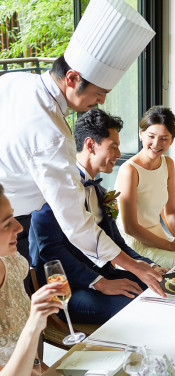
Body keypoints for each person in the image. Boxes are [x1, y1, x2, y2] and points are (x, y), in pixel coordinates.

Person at [0, 0, 164, 296]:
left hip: (9, 218)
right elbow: (74, 221)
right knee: (19, 317)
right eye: (100, 92)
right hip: (11, 227)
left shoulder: (15, 81)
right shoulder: (51, 135)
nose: (101, 101)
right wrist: (132, 265)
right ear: (73, 78)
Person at [29, 110, 167, 324]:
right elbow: (51, 252)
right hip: (67, 289)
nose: (119, 153)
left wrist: (148, 265)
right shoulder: (55, 188)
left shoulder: (99, 191)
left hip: (103, 274)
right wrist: (100, 282)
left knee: (160, 286)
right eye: (113, 146)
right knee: (137, 308)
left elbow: (116, 243)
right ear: (90, 145)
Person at [0, 183, 65, 376]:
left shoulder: (9, 258)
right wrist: (34, 324)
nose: (19, 227)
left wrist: (45, 370)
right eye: (6, 223)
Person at [115, 106, 175, 268]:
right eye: (151, 136)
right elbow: (130, 228)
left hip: (158, 233)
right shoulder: (129, 170)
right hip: (135, 242)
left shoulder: (168, 164)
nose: (156, 144)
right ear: (141, 134)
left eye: (164, 138)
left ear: (172, 140)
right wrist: (172, 246)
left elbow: (171, 212)